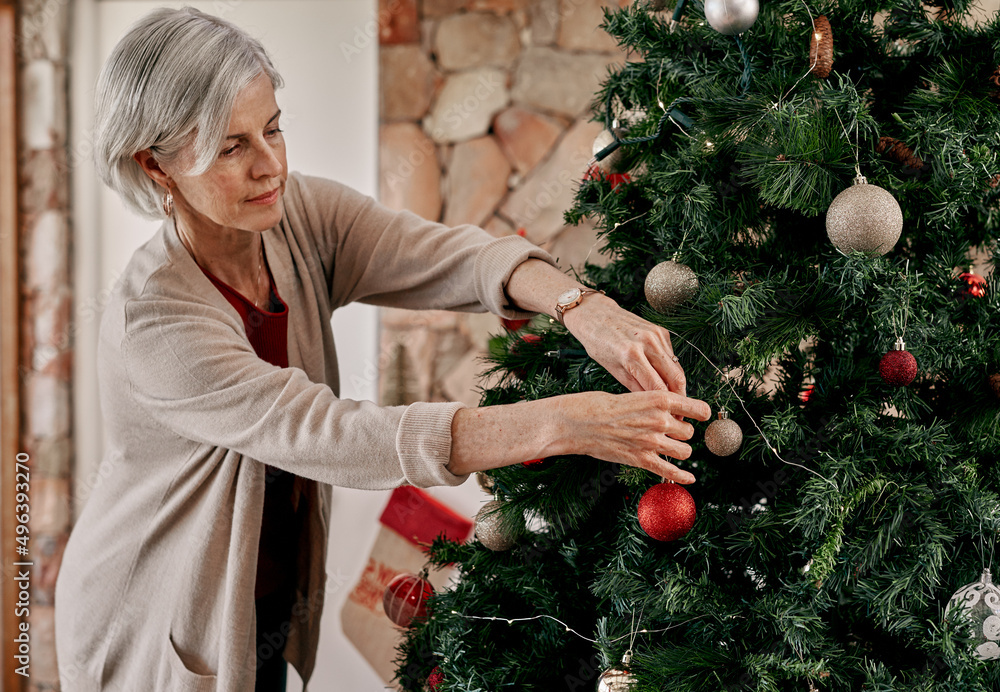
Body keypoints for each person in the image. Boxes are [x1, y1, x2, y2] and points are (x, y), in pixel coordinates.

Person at [53, 7, 711, 691]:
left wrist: (582, 305)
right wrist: (570, 422)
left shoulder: (294, 214)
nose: (270, 163)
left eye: (272, 128)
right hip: (153, 624)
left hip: (261, 603)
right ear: (155, 166)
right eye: (229, 148)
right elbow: (334, 435)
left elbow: (443, 255)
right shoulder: (152, 321)